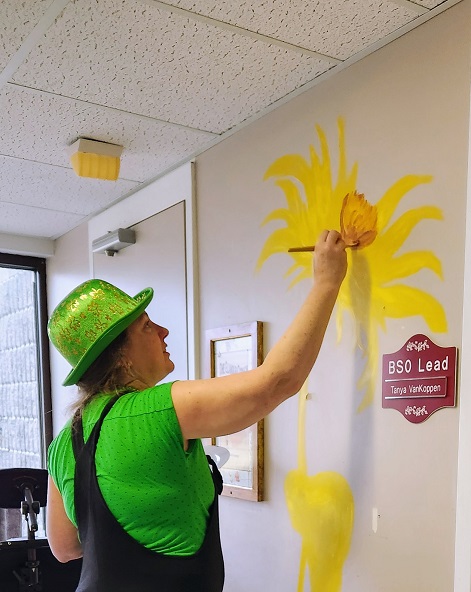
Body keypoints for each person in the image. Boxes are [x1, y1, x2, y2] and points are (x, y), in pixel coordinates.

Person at [46, 229, 347, 592]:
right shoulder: (157, 410)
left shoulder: (65, 441)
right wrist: (327, 282)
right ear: (120, 355)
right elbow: (278, 382)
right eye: (146, 326)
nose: (163, 330)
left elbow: (64, 547)